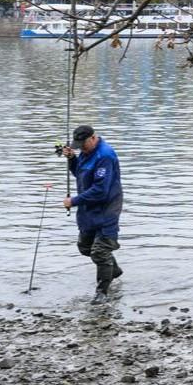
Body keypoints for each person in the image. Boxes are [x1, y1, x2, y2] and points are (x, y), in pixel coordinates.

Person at [58, 124, 124, 295]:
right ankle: (113, 270)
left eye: (83, 145)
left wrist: (74, 201)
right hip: (89, 208)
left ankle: (102, 294)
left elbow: (101, 190)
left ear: (93, 138)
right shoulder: (86, 152)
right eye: (77, 146)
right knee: (85, 246)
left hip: (107, 207)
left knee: (100, 252)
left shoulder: (105, 156)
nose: (81, 149)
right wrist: (73, 159)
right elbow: (82, 174)